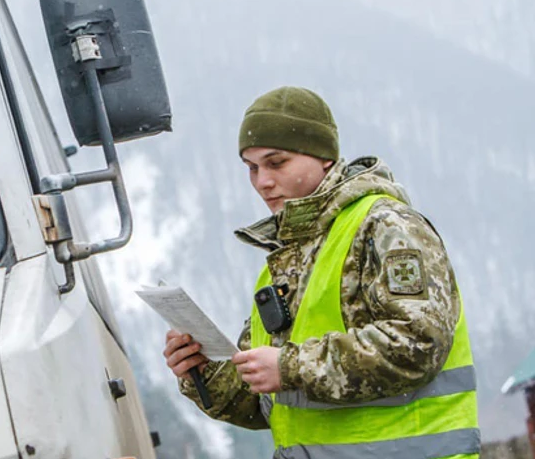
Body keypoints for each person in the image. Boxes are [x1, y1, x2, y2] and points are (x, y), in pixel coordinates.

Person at [162, 86, 480, 458]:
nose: (262, 181)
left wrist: (290, 367)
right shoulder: (286, 258)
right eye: (251, 167)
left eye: (276, 163)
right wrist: (200, 370)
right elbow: (265, 404)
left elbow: (418, 344)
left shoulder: (386, 226)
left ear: (324, 157)